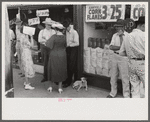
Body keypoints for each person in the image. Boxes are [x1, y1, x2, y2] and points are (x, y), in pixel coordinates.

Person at [119, 16, 145, 98]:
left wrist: (131, 54)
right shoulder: (144, 35)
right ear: (143, 25)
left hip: (131, 63)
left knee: (134, 88)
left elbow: (121, 53)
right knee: (145, 87)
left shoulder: (127, 36)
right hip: (142, 63)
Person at [107, 19, 130, 98]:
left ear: (123, 27)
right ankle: (112, 93)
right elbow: (111, 47)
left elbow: (128, 48)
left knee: (125, 77)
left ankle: (126, 95)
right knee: (113, 76)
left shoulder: (128, 36)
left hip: (124, 58)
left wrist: (119, 48)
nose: (117, 28)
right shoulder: (114, 35)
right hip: (115, 56)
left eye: (119, 26)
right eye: (116, 26)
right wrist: (121, 47)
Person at [45, 23, 67, 94]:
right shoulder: (64, 37)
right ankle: (60, 88)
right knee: (61, 70)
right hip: (62, 55)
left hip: (54, 54)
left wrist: (45, 41)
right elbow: (66, 45)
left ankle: (50, 87)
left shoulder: (54, 37)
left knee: (52, 69)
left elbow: (48, 45)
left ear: (56, 29)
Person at [62, 20, 79, 88]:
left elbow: (77, 43)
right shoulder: (66, 32)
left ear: (69, 26)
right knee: (67, 65)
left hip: (73, 49)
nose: (66, 29)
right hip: (67, 49)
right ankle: (67, 80)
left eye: (66, 28)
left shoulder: (74, 32)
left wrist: (69, 45)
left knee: (71, 65)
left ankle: (70, 81)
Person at [38, 18, 56, 82]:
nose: (49, 26)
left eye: (50, 25)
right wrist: (48, 41)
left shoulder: (53, 31)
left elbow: (54, 40)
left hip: (51, 48)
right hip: (44, 48)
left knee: (52, 62)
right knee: (45, 62)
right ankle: (45, 77)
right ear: (45, 24)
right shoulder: (42, 31)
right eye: (48, 25)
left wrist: (45, 40)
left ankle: (52, 76)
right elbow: (39, 40)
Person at [20, 22, 35, 90]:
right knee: (27, 67)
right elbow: (32, 45)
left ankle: (26, 82)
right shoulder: (25, 37)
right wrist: (31, 37)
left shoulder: (21, 35)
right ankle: (27, 83)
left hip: (24, 52)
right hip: (27, 53)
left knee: (26, 67)